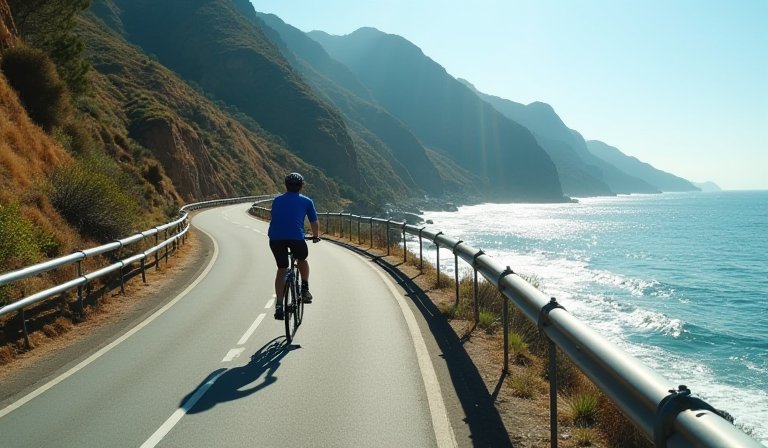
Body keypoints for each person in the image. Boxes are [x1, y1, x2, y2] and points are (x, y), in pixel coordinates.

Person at [268, 172, 320, 320]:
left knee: (282, 269)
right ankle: (304, 288)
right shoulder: (307, 201)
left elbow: (274, 217)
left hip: (276, 238)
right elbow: (314, 222)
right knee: (302, 259)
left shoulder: (277, 200)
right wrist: (315, 236)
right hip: (296, 238)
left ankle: (279, 304)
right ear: (301, 186)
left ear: (286, 185)